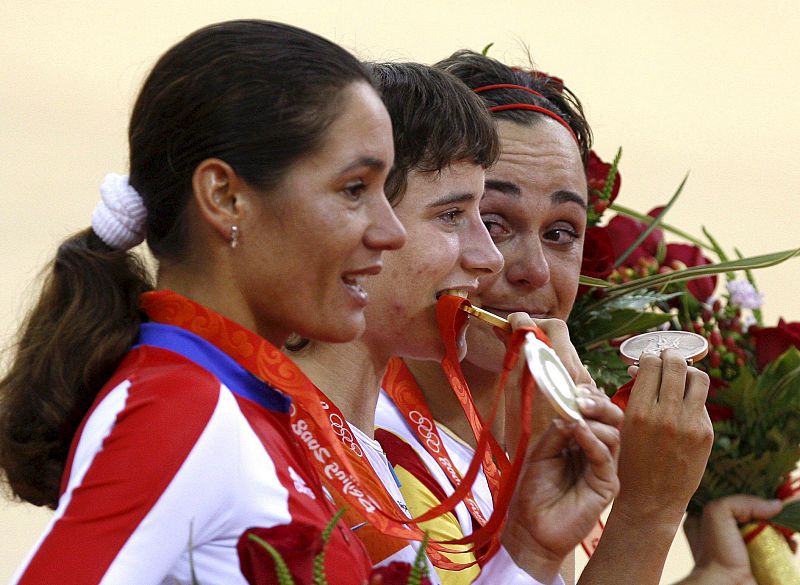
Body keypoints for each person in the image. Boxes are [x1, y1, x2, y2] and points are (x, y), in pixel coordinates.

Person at [0, 20, 406, 585]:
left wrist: (528, 548)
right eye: (354, 189)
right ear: (225, 196)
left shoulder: (233, 397)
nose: (391, 231)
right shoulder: (178, 404)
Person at [375, 49, 714, 585]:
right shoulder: (360, 438)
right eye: (489, 220)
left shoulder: (542, 432)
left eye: (561, 232)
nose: (532, 270)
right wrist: (646, 513)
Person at [286, 61, 622, 585]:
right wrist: (645, 513)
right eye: (464, 217)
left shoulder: (363, 439)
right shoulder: (267, 421)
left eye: (561, 232)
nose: (504, 262)